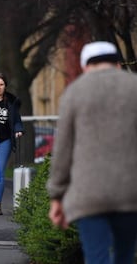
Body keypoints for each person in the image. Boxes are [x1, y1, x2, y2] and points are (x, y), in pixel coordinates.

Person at [47, 41, 137, 264]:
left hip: (88, 194)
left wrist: (57, 195)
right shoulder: (134, 86)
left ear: (86, 65)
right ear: (117, 64)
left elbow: (63, 150)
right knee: (125, 256)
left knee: (96, 257)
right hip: (130, 192)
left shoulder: (74, 93)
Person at [0, 73, 24, 215]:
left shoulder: (10, 102)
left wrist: (18, 130)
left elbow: (17, 120)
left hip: (4, 140)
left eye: (1, 85)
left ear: (5, 86)